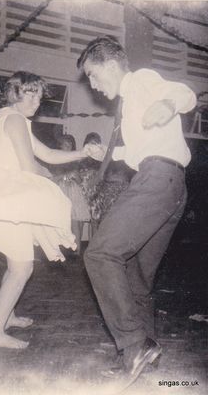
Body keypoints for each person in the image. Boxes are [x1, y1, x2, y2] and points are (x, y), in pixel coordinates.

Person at [0, 71, 101, 349]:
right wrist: (52, 180)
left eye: (40, 96)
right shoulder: (15, 120)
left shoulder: (10, 119)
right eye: (31, 93)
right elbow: (30, 167)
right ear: (15, 92)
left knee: (16, 265)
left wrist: (82, 153)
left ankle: (8, 316)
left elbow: (49, 155)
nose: (37, 101)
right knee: (22, 268)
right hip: (9, 199)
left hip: (8, 198)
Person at [77, 36, 197, 381]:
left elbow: (186, 93)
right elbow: (140, 151)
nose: (93, 85)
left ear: (111, 65)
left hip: (157, 180)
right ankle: (144, 352)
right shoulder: (129, 105)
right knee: (136, 278)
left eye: (94, 75)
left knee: (99, 255)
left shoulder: (142, 79)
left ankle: (134, 343)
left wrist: (170, 105)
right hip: (171, 183)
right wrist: (109, 155)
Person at [52, 134, 90, 256]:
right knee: (59, 222)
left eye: (70, 144)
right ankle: (57, 251)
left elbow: (80, 181)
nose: (68, 146)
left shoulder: (76, 161)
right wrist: (63, 176)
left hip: (74, 193)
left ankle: (77, 252)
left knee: (75, 222)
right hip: (61, 192)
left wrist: (76, 176)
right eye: (65, 144)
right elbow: (52, 179)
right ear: (60, 145)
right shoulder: (55, 159)